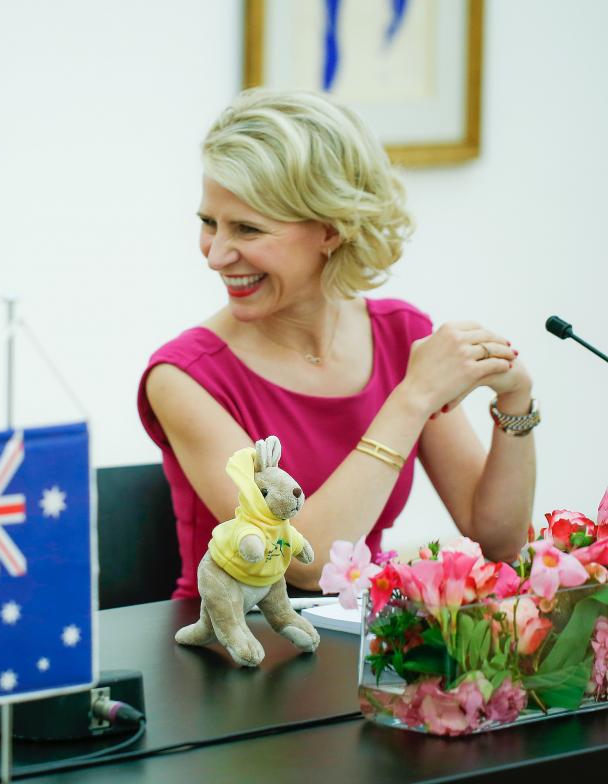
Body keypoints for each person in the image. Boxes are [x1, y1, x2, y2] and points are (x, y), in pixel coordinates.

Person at [138, 89, 537, 598]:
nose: (216, 255)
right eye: (208, 223)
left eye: (247, 229)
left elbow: (499, 541)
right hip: (232, 656)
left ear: (329, 230)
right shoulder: (183, 376)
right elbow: (305, 562)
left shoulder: (400, 336)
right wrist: (411, 399)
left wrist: (515, 400)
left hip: (361, 648)